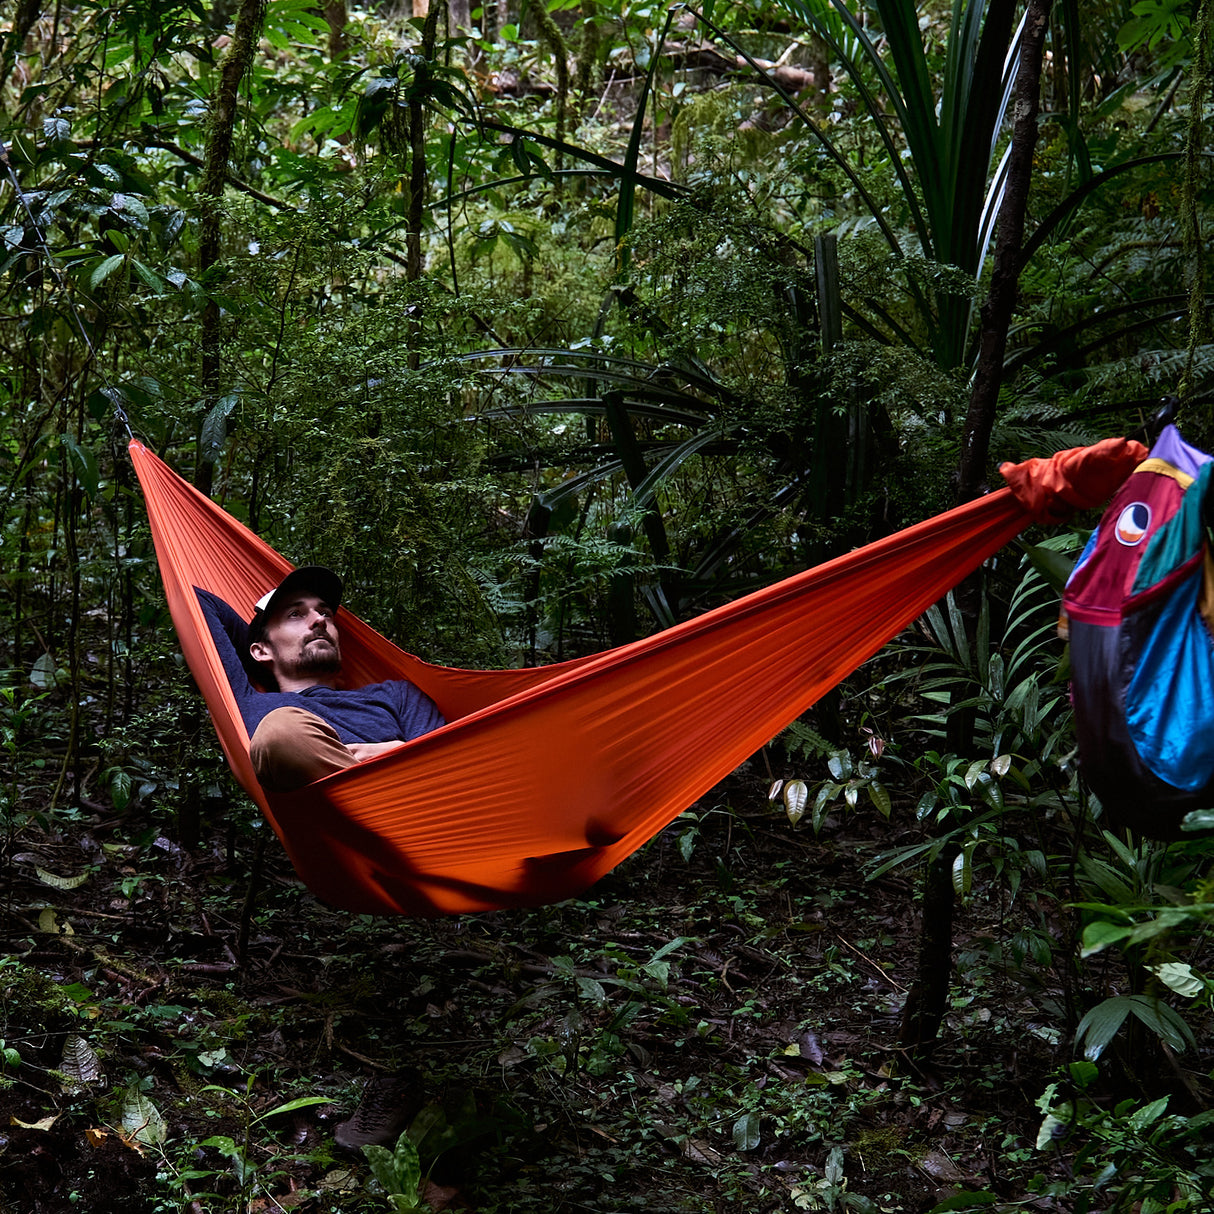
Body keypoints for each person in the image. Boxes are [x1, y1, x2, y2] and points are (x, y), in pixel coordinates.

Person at [196, 566, 444, 791]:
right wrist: (394, 749)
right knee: (281, 731)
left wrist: (372, 752)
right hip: (330, 818)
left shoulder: (398, 695)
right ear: (260, 651)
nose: (320, 620)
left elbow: (444, 760)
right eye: (295, 614)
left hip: (421, 807)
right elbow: (199, 602)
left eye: (325, 613)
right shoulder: (249, 702)